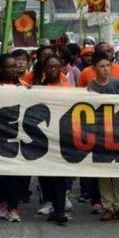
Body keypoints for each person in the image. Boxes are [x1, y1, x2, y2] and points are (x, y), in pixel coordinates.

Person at [86, 51, 119, 221]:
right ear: (94, 68)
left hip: (117, 131)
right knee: (103, 170)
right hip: (99, 133)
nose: (106, 69)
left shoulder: (117, 83)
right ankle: (107, 206)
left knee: (118, 169)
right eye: (102, 66)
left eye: (108, 66)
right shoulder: (90, 87)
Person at [35, 54, 71, 226]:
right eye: (50, 66)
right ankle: (54, 207)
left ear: (61, 68)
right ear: (44, 69)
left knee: (60, 176)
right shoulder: (38, 88)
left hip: (62, 137)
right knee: (46, 175)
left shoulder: (68, 88)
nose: (53, 69)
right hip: (44, 137)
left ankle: (61, 211)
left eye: (56, 66)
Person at [0, 54, 27, 223]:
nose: (15, 69)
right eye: (10, 67)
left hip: (17, 138)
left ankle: (13, 208)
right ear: (1, 69)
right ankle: (2, 204)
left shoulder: (25, 87)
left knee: (15, 175)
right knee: (0, 175)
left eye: (16, 66)